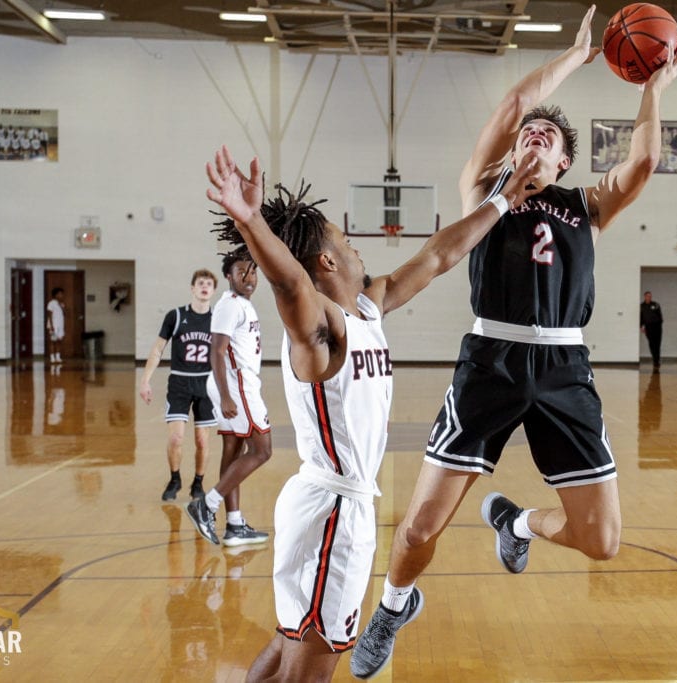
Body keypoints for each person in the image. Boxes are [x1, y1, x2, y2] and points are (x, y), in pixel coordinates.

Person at [351, 7, 677, 679]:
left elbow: (645, 158)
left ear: (564, 160)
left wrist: (653, 86)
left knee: (603, 540)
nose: (534, 137)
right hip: (490, 361)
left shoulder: (586, 207)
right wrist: (574, 56)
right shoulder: (485, 188)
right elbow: (514, 101)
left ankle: (520, 524)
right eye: (528, 133)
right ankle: (392, 606)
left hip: (565, 365)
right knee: (418, 529)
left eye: (548, 138)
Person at [204, 145, 542, 682]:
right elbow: (290, 282)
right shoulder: (321, 329)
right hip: (332, 514)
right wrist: (249, 223)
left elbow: (435, 258)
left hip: (332, 509)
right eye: (348, 242)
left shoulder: (366, 308)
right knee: (309, 669)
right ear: (329, 262)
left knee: (291, 643)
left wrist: (500, 203)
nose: (359, 250)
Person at [185, 253, 271, 548]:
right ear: (229, 276)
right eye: (241, 272)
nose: (249, 278)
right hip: (236, 387)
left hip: (240, 384)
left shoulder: (243, 304)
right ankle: (205, 505)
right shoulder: (229, 306)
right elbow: (217, 351)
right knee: (262, 450)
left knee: (234, 451)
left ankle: (234, 524)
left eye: (253, 273)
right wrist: (225, 395)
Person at [139, 269, 219, 501]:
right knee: (176, 438)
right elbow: (157, 350)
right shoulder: (175, 316)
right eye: (200, 283)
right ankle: (175, 479)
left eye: (209, 284)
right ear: (192, 288)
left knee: (202, 440)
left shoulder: (217, 320)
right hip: (179, 382)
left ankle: (198, 483)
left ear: (213, 291)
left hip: (206, 383)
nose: (204, 287)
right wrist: (145, 381)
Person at [639, 290, 663, 368]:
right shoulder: (641, 306)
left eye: (650, 296)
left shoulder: (655, 305)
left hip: (657, 327)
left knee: (657, 344)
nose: (649, 297)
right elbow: (641, 317)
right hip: (648, 328)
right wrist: (641, 326)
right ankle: (655, 359)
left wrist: (658, 323)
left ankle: (657, 360)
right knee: (652, 344)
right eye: (648, 296)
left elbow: (660, 316)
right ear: (645, 297)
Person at [45, 287, 65, 365]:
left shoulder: (62, 303)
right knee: (52, 341)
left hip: (60, 324)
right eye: (60, 294)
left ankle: (58, 357)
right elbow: (49, 315)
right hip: (53, 325)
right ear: (56, 295)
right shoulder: (51, 303)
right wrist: (51, 325)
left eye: (62, 294)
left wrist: (61, 306)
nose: (61, 295)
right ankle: (52, 358)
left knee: (59, 341)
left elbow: (64, 314)